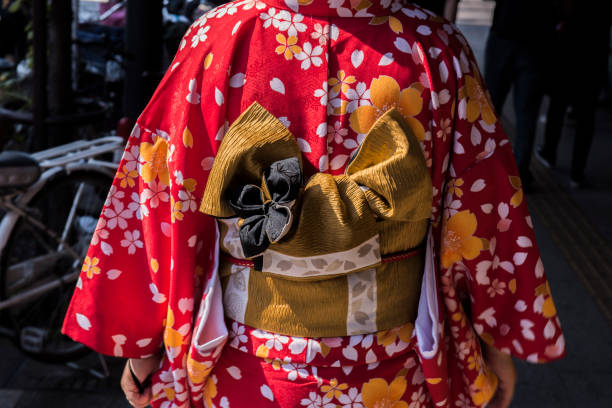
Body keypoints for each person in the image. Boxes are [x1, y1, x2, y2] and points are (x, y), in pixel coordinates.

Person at [62, 1, 565, 408]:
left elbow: (160, 196)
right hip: (393, 367)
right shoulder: (436, 50)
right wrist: (498, 342)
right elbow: (483, 208)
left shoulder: (217, 39)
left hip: (244, 366)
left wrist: (143, 341)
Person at [536, 0, 612, 188]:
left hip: (568, 51)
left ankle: (549, 152)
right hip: (595, 54)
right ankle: (578, 172)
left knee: (558, 106)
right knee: (586, 117)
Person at [483, 0, 558, 189]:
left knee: (489, 110)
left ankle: (486, 168)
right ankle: (520, 174)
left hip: (504, 36)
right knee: (527, 116)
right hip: (537, 44)